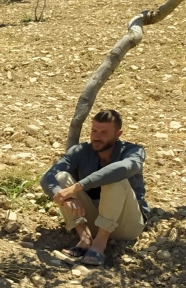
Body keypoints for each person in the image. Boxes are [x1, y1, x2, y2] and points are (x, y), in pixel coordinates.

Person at [40, 109, 148, 266]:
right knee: (61, 177)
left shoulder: (133, 151)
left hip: (127, 225)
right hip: (94, 219)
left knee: (115, 180)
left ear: (118, 134)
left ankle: (99, 244)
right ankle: (84, 238)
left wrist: (79, 186)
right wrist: (64, 197)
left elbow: (122, 169)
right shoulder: (81, 151)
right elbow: (49, 177)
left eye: (104, 132)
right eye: (94, 131)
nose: (97, 137)